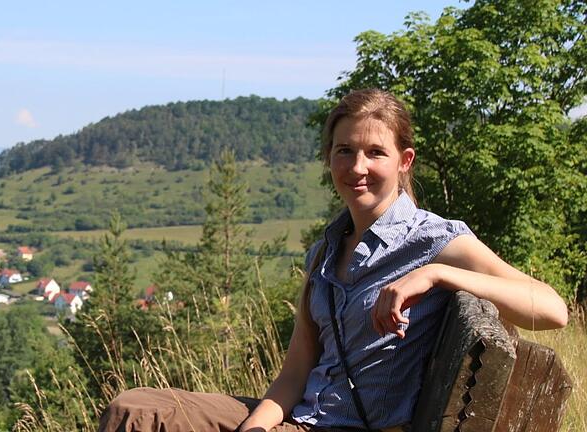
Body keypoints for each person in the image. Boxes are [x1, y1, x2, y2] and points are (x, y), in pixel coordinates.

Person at [98, 89, 569, 432]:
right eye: (344, 151)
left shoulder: (434, 240)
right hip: (301, 418)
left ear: (404, 161)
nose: (357, 167)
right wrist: (255, 429)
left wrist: (437, 273)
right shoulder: (324, 251)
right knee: (135, 410)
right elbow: (294, 375)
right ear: (329, 158)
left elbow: (552, 309)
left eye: (375, 153)